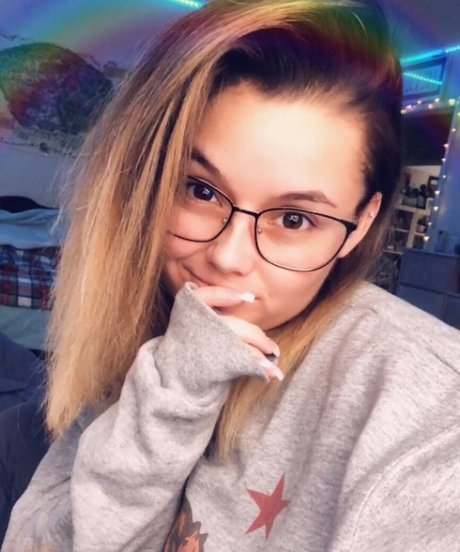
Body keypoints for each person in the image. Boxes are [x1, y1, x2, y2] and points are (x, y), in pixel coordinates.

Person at [3, 0, 460, 550]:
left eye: (295, 219)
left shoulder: (430, 419)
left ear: (360, 225)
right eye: (200, 190)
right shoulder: (145, 321)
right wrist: (173, 389)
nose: (227, 256)